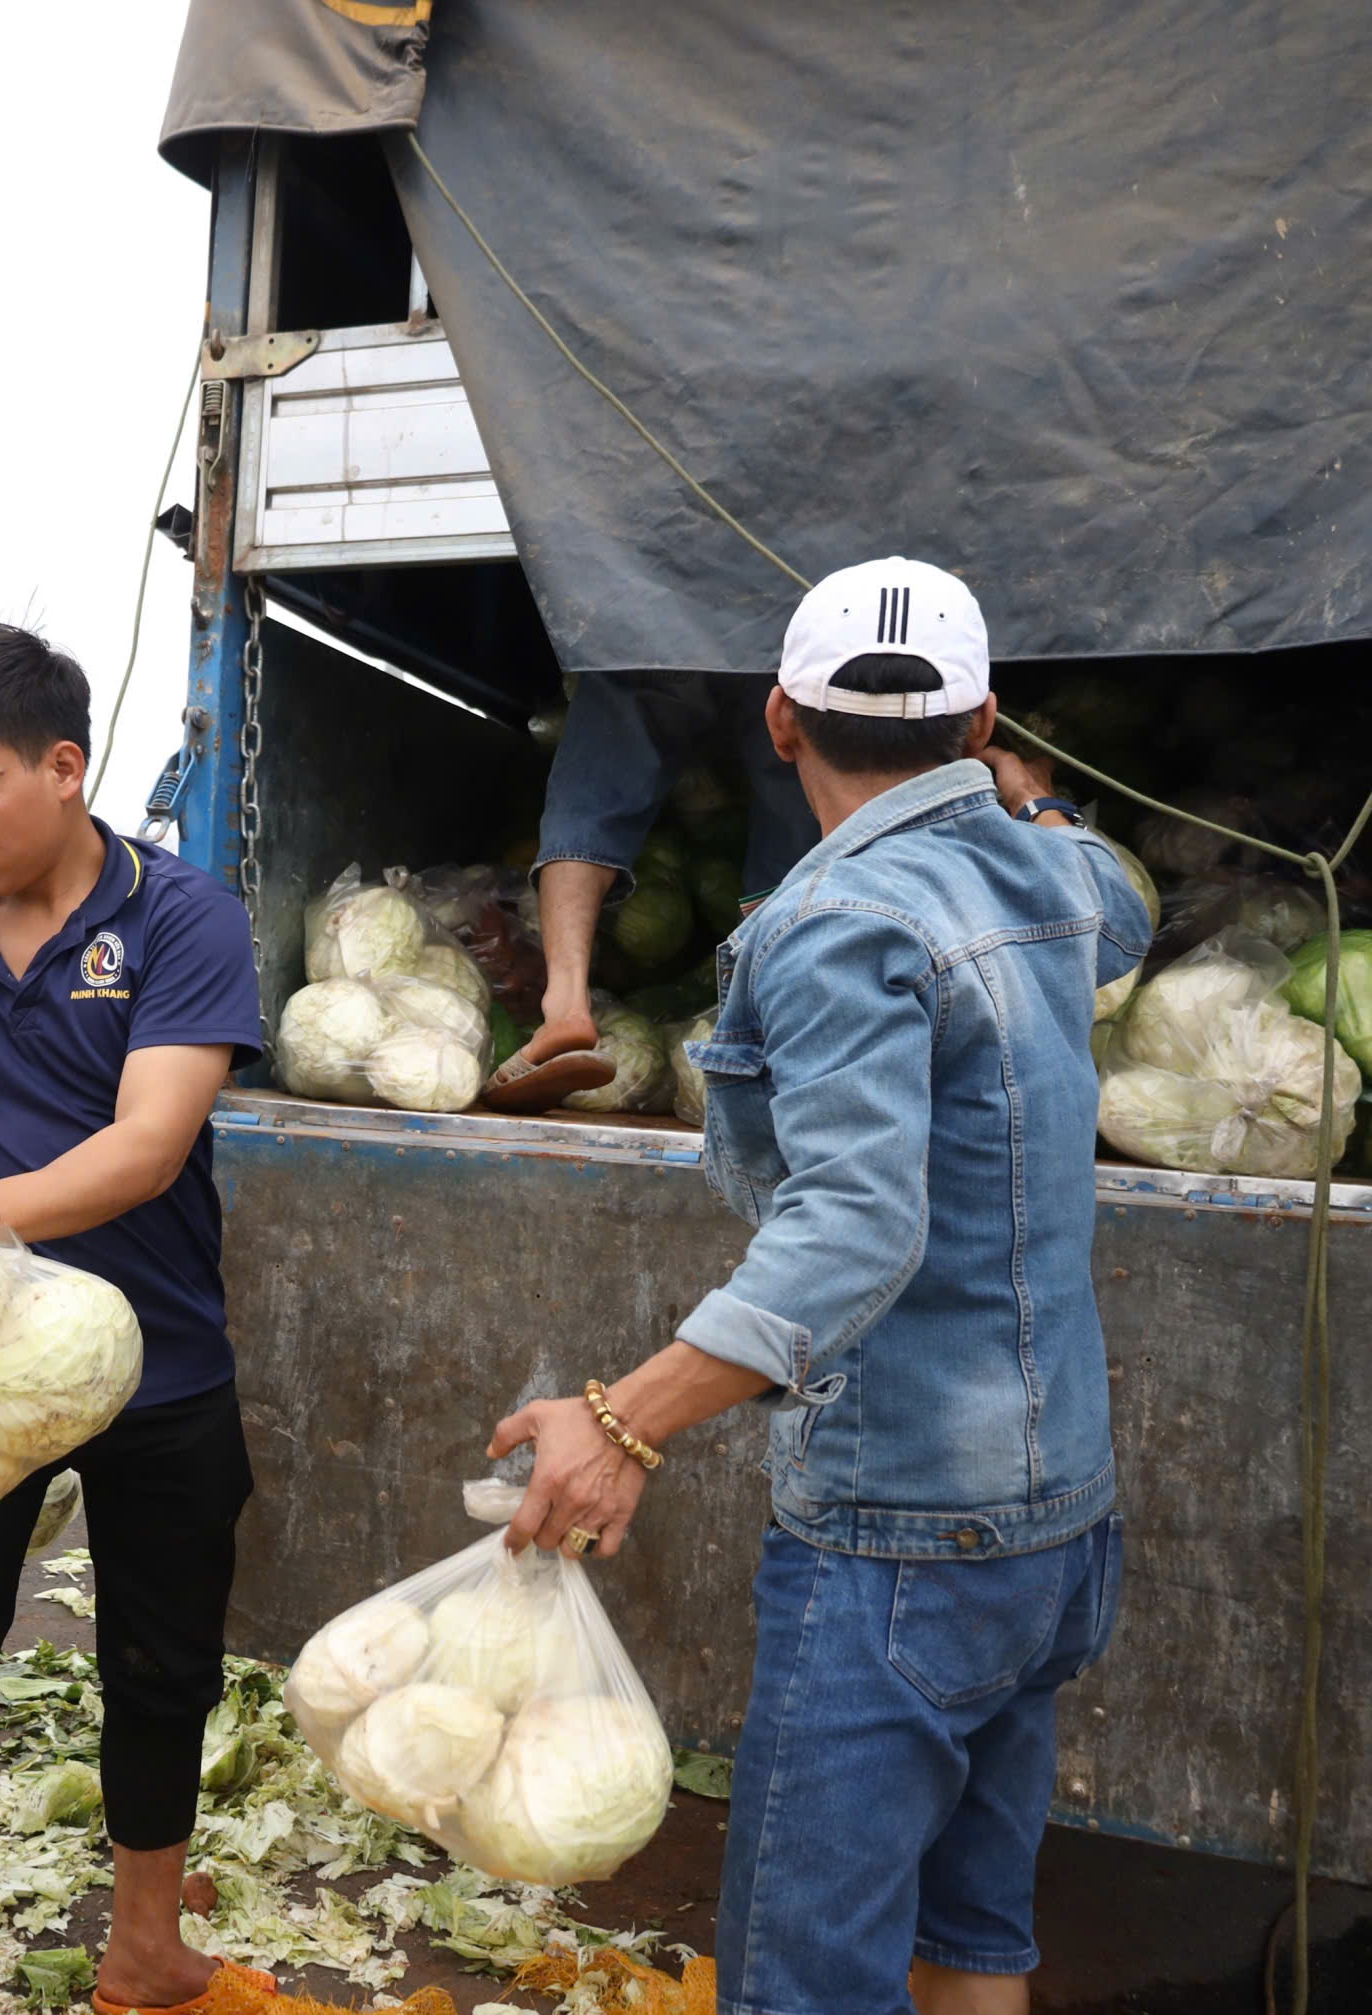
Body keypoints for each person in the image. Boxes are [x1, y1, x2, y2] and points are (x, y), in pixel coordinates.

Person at [489, 558, 1147, 2015]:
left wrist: (626, 1416)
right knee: (976, 1930)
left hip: (902, 1536)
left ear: (780, 723)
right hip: (1059, 1523)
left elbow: (855, 1220)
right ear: (980, 722)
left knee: (805, 1979)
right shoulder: (1057, 869)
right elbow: (1124, 899)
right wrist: (1030, 790)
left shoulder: (831, 919)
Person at [0, 621, 273, 2015]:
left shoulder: (179, 916)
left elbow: (148, 1143)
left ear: (64, 765)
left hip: (161, 1358)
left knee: (160, 1663)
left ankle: (142, 1946)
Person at [505, 670, 819, 1103]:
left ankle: (565, 1006)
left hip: (655, 616)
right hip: (777, 624)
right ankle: (774, 1020)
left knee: (601, 764)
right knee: (792, 787)